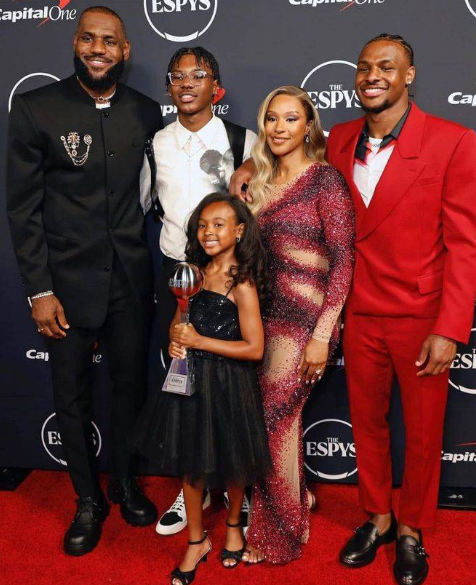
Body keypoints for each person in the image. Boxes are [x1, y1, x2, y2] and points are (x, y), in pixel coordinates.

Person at [6, 6, 163, 556]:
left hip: (130, 282)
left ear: (125, 50)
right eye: (89, 39)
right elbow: (23, 210)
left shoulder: (146, 112)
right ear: (75, 43)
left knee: (130, 389)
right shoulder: (36, 108)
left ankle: (124, 483)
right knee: (70, 397)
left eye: (110, 41)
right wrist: (39, 290)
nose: (99, 49)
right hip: (65, 288)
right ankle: (87, 501)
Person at [326, 34, 476, 585]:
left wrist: (451, 328)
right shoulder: (339, 139)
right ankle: (379, 517)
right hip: (360, 312)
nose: (373, 75)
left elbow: (466, 244)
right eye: (364, 66)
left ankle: (412, 527)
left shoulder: (453, 140)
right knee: (366, 425)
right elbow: (290, 161)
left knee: (422, 432)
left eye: (386, 67)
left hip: (422, 317)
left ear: (409, 75)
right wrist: (250, 167)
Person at [139, 46, 257, 536]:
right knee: (185, 383)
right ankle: (194, 489)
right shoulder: (155, 142)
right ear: (169, 88)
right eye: (177, 76)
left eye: (198, 74)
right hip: (178, 273)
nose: (186, 83)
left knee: (232, 389)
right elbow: (144, 204)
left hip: (229, 276)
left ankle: (236, 489)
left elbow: (264, 201)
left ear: (216, 87)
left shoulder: (243, 139)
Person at [130, 193, 272, 583]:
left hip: (230, 383)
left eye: (219, 224)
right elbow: (179, 324)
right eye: (203, 225)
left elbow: (255, 348)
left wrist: (199, 341)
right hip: (190, 382)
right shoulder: (191, 273)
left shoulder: (241, 282)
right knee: (191, 464)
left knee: (235, 463)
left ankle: (233, 526)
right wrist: (176, 341)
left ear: (239, 231)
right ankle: (196, 541)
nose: (208, 232)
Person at [243, 86, 355, 564]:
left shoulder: (325, 180)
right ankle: (296, 497)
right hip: (260, 321)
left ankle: (280, 533)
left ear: (309, 126)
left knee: (275, 419)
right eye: (272, 118)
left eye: (291, 119)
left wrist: (323, 335)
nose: (280, 128)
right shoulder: (259, 182)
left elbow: (344, 260)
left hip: (306, 325)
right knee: (273, 420)